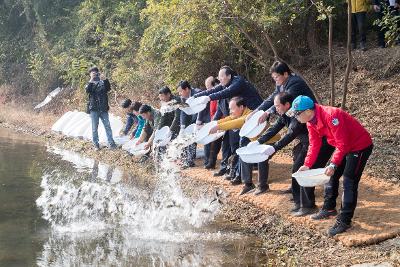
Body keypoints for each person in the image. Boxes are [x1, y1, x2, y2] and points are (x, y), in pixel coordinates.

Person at [292, 95, 373, 236]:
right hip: (343, 146)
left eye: (297, 114)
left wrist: (333, 163)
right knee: (331, 176)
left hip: (359, 146)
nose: (296, 117)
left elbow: (343, 143)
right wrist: (307, 164)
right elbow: (314, 144)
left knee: (349, 181)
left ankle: (344, 221)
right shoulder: (311, 121)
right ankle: (329, 208)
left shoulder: (331, 115)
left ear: (308, 111)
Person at [243, 93, 334, 217]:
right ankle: (299, 201)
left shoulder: (298, 115)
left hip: (320, 144)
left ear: (287, 105)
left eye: (278, 106)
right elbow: (275, 128)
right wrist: (259, 141)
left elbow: (290, 134)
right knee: (298, 169)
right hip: (306, 142)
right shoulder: (285, 114)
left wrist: (274, 148)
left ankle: (307, 205)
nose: (275, 109)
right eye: (274, 106)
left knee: (304, 171)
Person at [209, 96, 280, 186]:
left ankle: (262, 185)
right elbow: (229, 119)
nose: (230, 112)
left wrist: (218, 127)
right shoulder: (238, 114)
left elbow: (235, 122)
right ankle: (247, 184)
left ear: (241, 107)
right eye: (229, 109)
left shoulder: (250, 115)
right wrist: (213, 124)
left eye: (232, 109)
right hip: (256, 143)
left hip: (270, 142)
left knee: (262, 159)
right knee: (244, 154)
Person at [192, 66, 263, 110]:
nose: (219, 79)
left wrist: (209, 98)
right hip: (246, 112)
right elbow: (211, 90)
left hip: (257, 108)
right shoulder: (225, 83)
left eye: (221, 76)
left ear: (229, 76)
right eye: (219, 77)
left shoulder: (238, 81)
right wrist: (194, 96)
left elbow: (226, 92)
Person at [85, 66, 116, 150]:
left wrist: (105, 79)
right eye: (93, 73)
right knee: (94, 128)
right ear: (90, 74)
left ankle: (111, 143)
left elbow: (108, 88)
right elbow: (87, 90)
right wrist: (91, 79)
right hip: (94, 109)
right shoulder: (89, 83)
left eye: (96, 73)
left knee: (107, 126)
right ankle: (96, 144)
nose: (95, 75)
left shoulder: (102, 81)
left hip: (103, 109)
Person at [178, 80, 202, 169]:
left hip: (202, 118)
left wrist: (197, 122)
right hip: (191, 118)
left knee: (192, 137)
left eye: (181, 91)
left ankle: (190, 161)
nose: (180, 94)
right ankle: (186, 159)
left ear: (187, 89)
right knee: (185, 135)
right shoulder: (183, 98)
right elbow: (183, 112)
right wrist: (182, 127)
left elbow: (201, 110)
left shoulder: (198, 93)